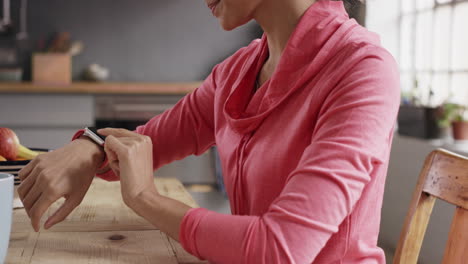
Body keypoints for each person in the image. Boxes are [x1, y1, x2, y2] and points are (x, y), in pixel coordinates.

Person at [17, 0, 400, 263]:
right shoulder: (237, 71)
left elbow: (281, 251)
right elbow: (149, 141)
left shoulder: (362, 70)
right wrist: (91, 143)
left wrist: (146, 198)